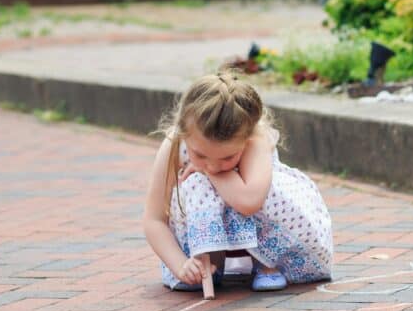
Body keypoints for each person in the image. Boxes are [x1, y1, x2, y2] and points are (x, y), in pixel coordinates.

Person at [142, 73, 332, 294]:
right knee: (195, 185)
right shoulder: (175, 144)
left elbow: (250, 201)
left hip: (257, 210)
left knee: (234, 186)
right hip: (209, 217)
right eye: (201, 155)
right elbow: (154, 219)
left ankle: (267, 265)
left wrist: (207, 171)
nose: (213, 165)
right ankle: (208, 264)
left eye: (227, 157)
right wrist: (179, 264)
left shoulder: (254, 139)